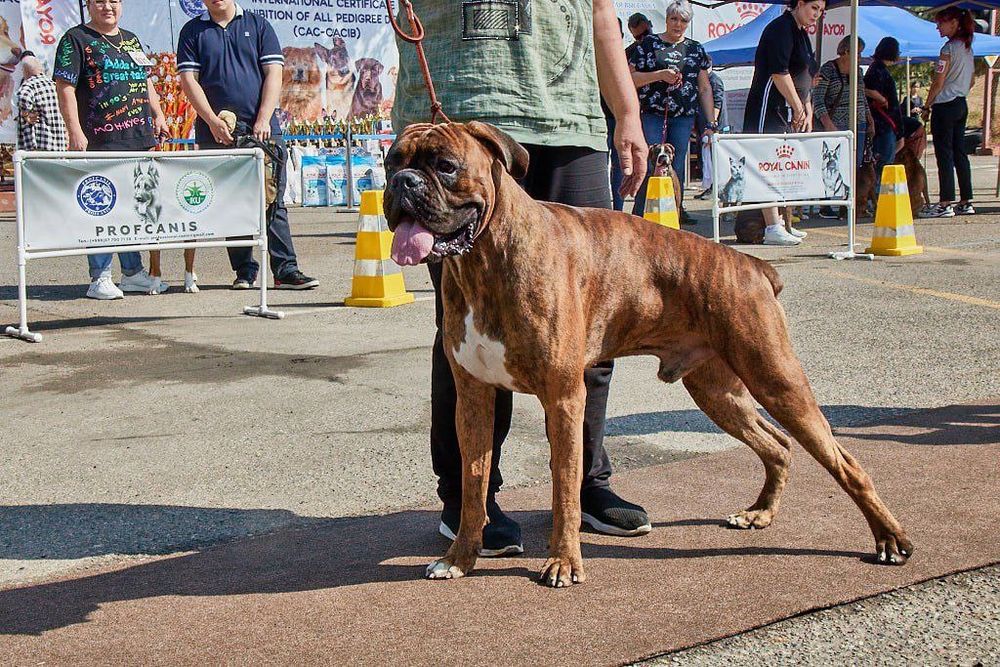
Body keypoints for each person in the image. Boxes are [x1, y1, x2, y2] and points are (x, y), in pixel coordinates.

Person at [392, 0, 651, 554]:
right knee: (467, 336)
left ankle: (587, 483)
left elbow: (601, 14)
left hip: (569, 118)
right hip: (457, 121)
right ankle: (470, 501)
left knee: (589, 327)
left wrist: (626, 111)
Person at [177, 0, 319, 290]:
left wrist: (264, 119)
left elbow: (274, 74)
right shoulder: (192, 31)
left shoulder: (258, 25)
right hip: (216, 131)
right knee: (231, 202)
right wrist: (212, 121)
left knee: (273, 201)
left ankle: (285, 270)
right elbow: (189, 80)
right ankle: (244, 270)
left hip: (262, 130)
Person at [53, 0, 167, 300]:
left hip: (138, 137)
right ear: (89, 5)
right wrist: (74, 130)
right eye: (100, 1)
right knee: (102, 208)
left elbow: (145, 80)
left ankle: (132, 273)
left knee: (134, 208)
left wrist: (158, 114)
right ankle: (99, 277)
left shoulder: (131, 39)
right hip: (99, 139)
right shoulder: (75, 39)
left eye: (114, 1)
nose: (108, 7)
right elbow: (64, 87)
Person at [742, 0, 824, 245]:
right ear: (799, 4)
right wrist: (797, 106)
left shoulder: (802, 34)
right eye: (813, 9)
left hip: (789, 108)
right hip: (767, 106)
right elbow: (780, 73)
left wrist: (807, 109)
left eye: (821, 11)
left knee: (782, 164)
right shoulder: (780, 28)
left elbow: (805, 76)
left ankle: (783, 221)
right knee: (767, 162)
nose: (816, 15)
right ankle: (771, 226)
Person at [628, 0, 717, 225]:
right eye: (674, 19)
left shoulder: (696, 49)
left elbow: (705, 87)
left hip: (684, 115)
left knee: (676, 166)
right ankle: (640, 214)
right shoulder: (648, 44)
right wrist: (659, 75)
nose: (678, 24)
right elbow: (631, 79)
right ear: (666, 19)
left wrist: (711, 120)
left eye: (683, 20)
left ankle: (675, 212)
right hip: (653, 112)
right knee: (650, 163)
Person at [919, 7, 976, 218]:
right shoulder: (968, 48)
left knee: (944, 154)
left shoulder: (948, 49)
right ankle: (966, 200)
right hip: (961, 103)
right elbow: (971, 80)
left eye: (941, 23)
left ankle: (945, 203)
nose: (937, 27)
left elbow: (938, 81)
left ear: (954, 23)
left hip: (945, 105)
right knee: (960, 152)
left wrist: (927, 105)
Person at [812, 35, 872, 219]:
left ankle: (849, 204)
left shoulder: (858, 72)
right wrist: (828, 124)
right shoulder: (828, 69)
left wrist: (869, 118)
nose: (860, 57)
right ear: (846, 51)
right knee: (831, 165)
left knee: (854, 165)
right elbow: (818, 99)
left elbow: (861, 96)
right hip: (835, 125)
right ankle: (827, 204)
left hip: (858, 123)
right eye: (858, 53)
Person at [864, 37, 903, 195]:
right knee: (884, 164)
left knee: (885, 163)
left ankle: (882, 199)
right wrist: (881, 99)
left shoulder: (877, 69)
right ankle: (882, 199)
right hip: (883, 123)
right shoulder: (877, 70)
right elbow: (867, 89)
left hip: (887, 123)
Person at [17, 55, 68, 152]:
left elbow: (23, 96)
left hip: (38, 145)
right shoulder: (54, 85)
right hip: (58, 144)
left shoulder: (29, 85)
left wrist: (26, 114)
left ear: (25, 70)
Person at [694, 55, 726, 200]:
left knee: (714, 160)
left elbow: (717, 103)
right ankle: (709, 187)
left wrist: (711, 125)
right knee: (704, 158)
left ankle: (716, 189)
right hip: (702, 125)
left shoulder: (714, 80)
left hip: (715, 127)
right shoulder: (700, 80)